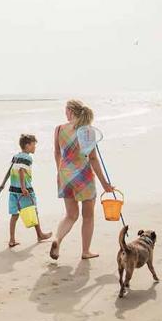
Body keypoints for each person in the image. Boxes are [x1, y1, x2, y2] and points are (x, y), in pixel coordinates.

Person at [49, 99, 115, 260]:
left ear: (71, 111)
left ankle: (57, 239)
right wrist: (105, 183)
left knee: (70, 215)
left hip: (65, 175)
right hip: (84, 176)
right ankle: (85, 251)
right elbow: (92, 159)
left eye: (66, 110)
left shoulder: (58, 129)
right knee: (88, 216)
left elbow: (57, 153)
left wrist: (60, 171)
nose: (65, 114)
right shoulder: (88, 131)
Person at [2, 134, 53, 248]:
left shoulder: (15, 156)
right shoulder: (27, 158)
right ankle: (40, 234)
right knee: (33, 211)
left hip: (13, 190)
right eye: (33, 145)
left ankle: (11, 240)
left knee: (14, 215)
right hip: (24, 190)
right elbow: (21, 171)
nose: (35, 147)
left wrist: (3, 184)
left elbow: (10, 170)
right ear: (27, 145)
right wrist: (24, 188)